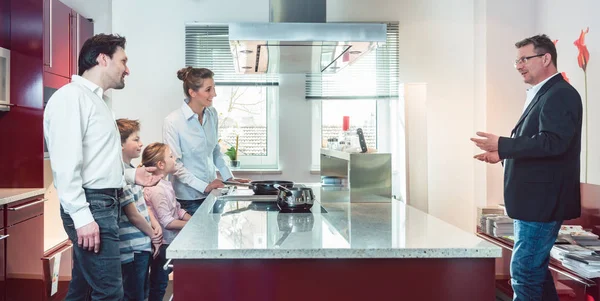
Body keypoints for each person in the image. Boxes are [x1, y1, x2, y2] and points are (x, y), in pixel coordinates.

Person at [43, 34, 161, 300]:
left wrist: (132, 174)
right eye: (124, 61)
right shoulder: (71, 98)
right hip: (92, 206)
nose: (127, 69)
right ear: (103, 59)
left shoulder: (100, 101)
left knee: (82, 290)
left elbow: (97, 161)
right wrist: (83, 218)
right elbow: (65, 166)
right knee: (110, 293)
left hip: (105, 202)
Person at [471, 34, 582, 301]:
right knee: (536, 272)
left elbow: (553, 143)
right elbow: (542, 142)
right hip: (533, 203)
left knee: (524, 273)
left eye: (525, 59)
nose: (519, 65)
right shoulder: (544, 92)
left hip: (542, 204)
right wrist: (501, 153)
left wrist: (504, 144)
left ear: (546, 58)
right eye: (517, 61)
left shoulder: (560, 94)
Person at [163, 67, 249, 214]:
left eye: (214, 88)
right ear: (192, 92)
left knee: (211, 236)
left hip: (212, 194)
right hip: (188, 199)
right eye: (208, 90)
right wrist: (204, 186)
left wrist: (229, 178)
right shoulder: (173, 121)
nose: (214, 94)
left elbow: (215, 150)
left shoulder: (212, 114)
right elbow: (175, 165)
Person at [116, 119, 164, 301]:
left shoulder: (133, 171)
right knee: (134, 295)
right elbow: (133, 214)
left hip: (141, 246)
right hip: (132, 248)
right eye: (135, 140)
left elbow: (141, 205)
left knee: (142, 293)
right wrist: (153, 235)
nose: (141, 144)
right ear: (120, 144)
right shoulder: (121, 175)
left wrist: (155, 224)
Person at [141, 143, 192, 301]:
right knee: (159, 283)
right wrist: (192, 226)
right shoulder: (156, 189)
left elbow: (177, 210)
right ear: (160, 164)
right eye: (170, 156)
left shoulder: (166, 184)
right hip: (163, 243)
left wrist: (195, 220)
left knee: (160, 281)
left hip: (170, 241)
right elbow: (168, 222)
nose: (174, 158)